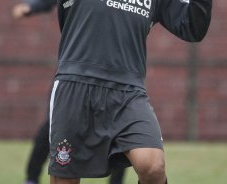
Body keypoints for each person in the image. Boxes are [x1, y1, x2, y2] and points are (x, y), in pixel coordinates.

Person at [14, 0, 212, 184]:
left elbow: (193, 27)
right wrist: (33, 5)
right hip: (75, 84)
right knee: (65, 176)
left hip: (129, 92)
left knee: (152, 167)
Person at [12, 2, 125, 184]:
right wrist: (32, 6)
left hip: (113, 74)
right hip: (74, 73)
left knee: (119, 130)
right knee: (53, 126)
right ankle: (31, 178)